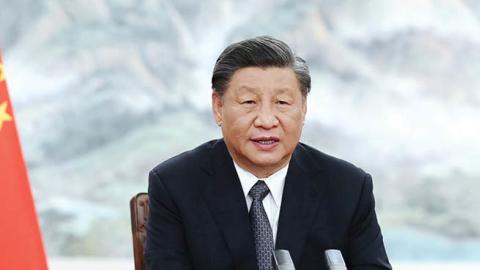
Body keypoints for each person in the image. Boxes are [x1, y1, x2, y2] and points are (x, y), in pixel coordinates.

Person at [145, 36, 392, 270]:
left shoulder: (348, 187)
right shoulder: (176, 184)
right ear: (218, 107)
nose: (266, 120)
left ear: (303, 109)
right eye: (249, 102)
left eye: (282, 103)